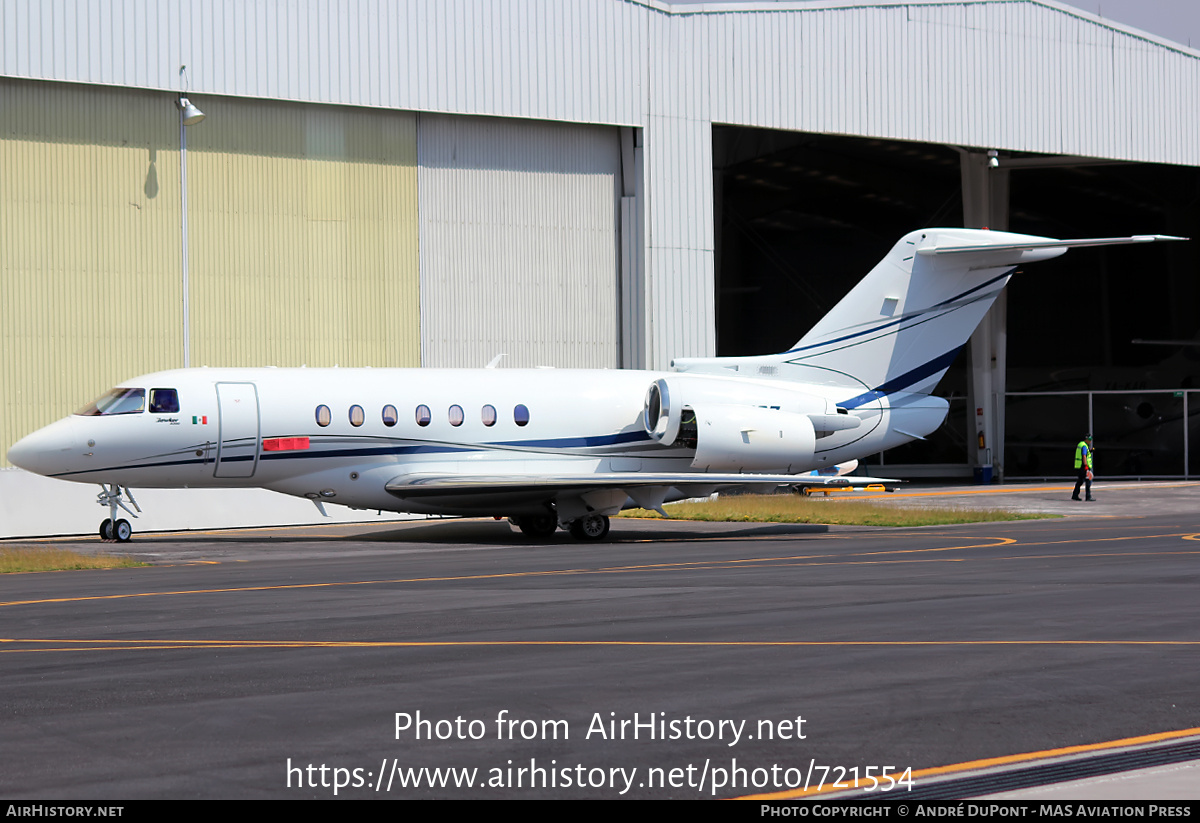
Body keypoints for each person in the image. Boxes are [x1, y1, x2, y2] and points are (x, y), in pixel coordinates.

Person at [1072, 434, 1095, 501]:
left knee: (1080, 481)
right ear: (1087, 439)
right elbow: (1084, 456)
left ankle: (1075, 495)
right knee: (1088, 481)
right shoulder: (1084, 446)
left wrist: (1090, 451)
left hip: (1080, 466)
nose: (1090, 441)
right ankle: (1088, 497)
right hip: (1084, 466)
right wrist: (1086, 466)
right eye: (1090, 440)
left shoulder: (1081, 444)